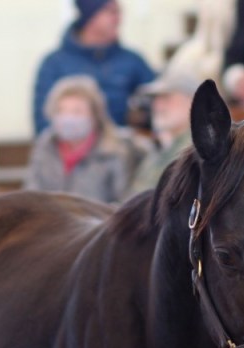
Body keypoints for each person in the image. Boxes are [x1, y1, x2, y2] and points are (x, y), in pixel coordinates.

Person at [31, 0, 154, 135]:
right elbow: (43, 121)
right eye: (112, 12)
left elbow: (156, 101)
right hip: (71, 149)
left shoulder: (132, 61)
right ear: (91, 15)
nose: (118, 18)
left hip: (122, 150)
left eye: (119, 12)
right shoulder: (55, 65)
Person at [25, 75, 136, 204]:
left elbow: (125, 203)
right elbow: (31, 195)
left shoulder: (117, 150)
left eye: (77, 111)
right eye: (61, 111)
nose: (68, 118)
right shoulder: (45, 146)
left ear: (95, 115)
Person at [128, 72, 199, 195]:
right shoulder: (160, 147)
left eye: (166, 98)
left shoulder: (199, 150)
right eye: (155, 99)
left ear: (192, 101)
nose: (157, 105)